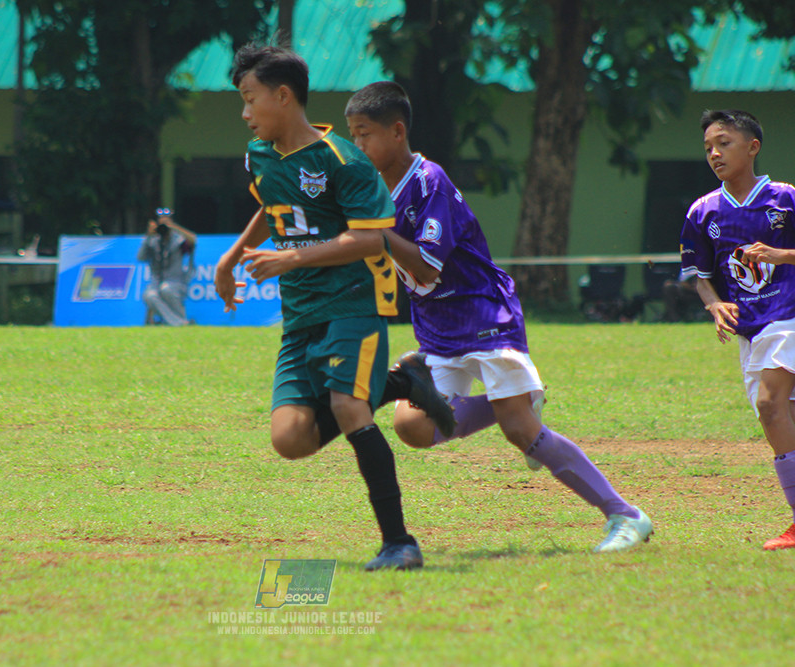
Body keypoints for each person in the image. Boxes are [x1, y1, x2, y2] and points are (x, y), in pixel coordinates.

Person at [344, 81, 654, 553]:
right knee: (412, 426)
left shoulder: (429, 182)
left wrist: (378, 235)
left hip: (481, 311)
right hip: (436, 325)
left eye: (364, 134)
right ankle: (516, 399)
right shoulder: (371, 190)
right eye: (352, 135)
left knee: (520, 431)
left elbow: (426, 265)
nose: (357, 145)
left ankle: (626, 516)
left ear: (397, 131)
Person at [214, 45, 455, 571]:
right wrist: (230, 259)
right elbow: (271, 206)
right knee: (290, 439)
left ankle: (399, 543)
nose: (245, 112)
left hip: (353, 302)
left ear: (283, 96)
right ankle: (400, 382)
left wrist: (292, 258)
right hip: (300, 314)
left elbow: (371, 239)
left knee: (349, 408)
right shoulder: (260, 155)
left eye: (250, 99)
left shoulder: (342, 160)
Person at [680, 109, 795, 550]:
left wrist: (782, 255)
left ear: (753, 147)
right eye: (708, 147)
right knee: (784, 419)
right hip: (750, 332)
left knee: (770, 406)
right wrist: (714, 304)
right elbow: (699, 274)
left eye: (724, 143)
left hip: (789, 317)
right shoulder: (703, 211)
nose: (714, 153)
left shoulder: (785, 199)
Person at [138, 208, 196, 326]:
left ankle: (176, 321)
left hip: (176, 282)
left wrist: (173, 227)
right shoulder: (152, 240)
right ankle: (180, 322)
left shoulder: (179, 240)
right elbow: (140, 257)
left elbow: (193, 240)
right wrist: (148, 236)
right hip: (156, 282)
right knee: (149, 295)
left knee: (166, 289)